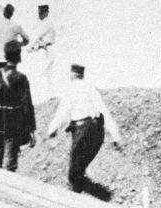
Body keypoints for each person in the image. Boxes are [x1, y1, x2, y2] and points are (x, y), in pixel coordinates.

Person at [47, 64, 123, 193]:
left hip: (82, 131)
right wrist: (115, 136)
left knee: (74, 174)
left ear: (72, 74)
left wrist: (52, 129)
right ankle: (82, 192)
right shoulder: (91, 89)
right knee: (79, 170)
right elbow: (104, 111)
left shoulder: (70, 89)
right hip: (97, 131)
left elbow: (62, 111)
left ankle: (84, 197)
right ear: (82, 75)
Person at [0, 40, 36, 171]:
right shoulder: (20, 78)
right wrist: (31, 129)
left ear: (5, 56)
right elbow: (27, 105)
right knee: (9, 165)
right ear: (19, 57)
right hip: (11, 125)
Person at [29, 4, 57, 99]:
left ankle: (45, 95)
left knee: (41, 72)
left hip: (48, 50)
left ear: (46, 13)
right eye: (39, 12)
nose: (39, 15)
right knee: (48, 74)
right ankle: (51, 95)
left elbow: (37, 37)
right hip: (46, 49)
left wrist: (30, 48)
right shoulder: (45, 23)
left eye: (41, 12)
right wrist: (35, 47)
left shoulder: (46, 23)